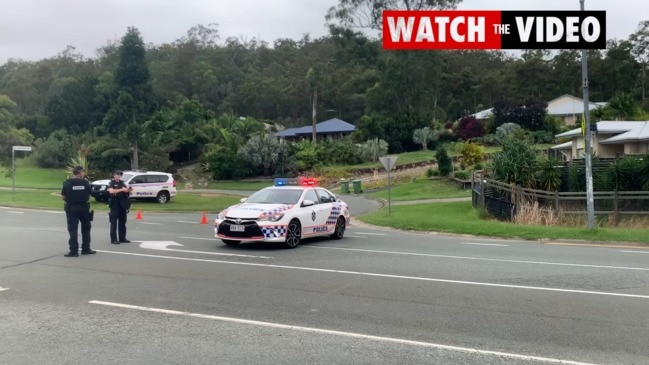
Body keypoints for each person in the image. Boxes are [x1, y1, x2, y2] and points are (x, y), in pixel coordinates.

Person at [61, 166, 95, 257]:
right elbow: (89, 194)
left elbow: (63, 196)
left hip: (71, 207)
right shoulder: (85, 182)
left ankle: (73, 251)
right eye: (83, 172)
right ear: (80, 173)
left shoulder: (67, 183)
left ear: (73, 173)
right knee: (86, 229)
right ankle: (86, 249)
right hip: (84, 207)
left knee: (73, 229)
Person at [107, 170, 132, 244]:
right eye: (117, 174)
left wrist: (128, 190)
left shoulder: (122, 183)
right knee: (114, 222)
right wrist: (122, 189)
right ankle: (113, 239)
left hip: (122, 205)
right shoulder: (111, 183)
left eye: (120, 175)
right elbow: (111, 191)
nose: (118, 176)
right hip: (115, 204)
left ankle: (122, 238)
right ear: (113, 175)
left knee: (122, 222)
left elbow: (127, 191)